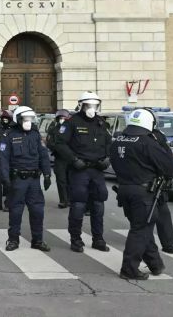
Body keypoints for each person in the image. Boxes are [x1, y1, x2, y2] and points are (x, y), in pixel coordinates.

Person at [110, 107, 173, 280]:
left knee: (142, 228)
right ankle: (129, 269)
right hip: (143, 192)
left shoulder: (118, 139)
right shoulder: (147, 142)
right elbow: (167, 166)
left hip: (124, 189)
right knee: (140, 230)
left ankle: (155, 264)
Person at [53, 91, 112, 253]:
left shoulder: (101, 123)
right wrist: (73, 160)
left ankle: (98, 239)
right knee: (78, 205)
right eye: (88, 105)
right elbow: (60, 143)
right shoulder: (71, 123)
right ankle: (76, 239)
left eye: (95, 105)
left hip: (97, 170)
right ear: (81, 105)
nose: (92, 108)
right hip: (80, 170)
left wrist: (108, 158)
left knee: (98, 205)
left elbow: (109, 143)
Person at [0, 106, 51, 252]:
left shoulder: (35, 135)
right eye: (25, 119)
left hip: (34, 180)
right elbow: (2, 159)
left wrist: (47, 174)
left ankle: (37, 240)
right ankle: (13, 240)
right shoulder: (8, 135)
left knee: (37, 211)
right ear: (18, 119)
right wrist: (5, 179)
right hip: (18, 179)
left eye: (30, 119)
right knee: (16, 211)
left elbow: (43, 155)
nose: (28, 122)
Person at [150, 119, 173, 255]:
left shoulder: (158, 136)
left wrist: (170, 177)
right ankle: (145, 241)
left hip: (158, 180)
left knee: (163, 213)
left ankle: (168, 244)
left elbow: (167, 157)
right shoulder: (132, 135)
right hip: (141, 180)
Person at [46, 109, 72, 209]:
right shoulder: (53, 129)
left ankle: (71, 199)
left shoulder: (72, 129)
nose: (62, 120)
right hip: (60, 158)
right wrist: (58, 148)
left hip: (71, 158)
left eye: (64, 118)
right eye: (60, 118)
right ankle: (63, 200)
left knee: (71, 179)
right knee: (61, 180)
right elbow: (49, 142)